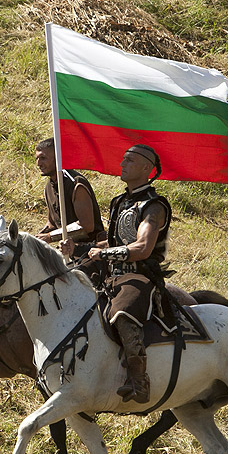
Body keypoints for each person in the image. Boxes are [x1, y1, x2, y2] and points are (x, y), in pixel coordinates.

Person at [62, 144, 172, 404]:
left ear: (147, 168)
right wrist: (79, 248)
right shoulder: (119, 201)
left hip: (140, 275)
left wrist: (105, 255)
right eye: (123, 158)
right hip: (110, 271)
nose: (122, 164)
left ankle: (138, 381)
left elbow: (143, 248)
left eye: (130, 160)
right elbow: (109, 243)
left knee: (122, 312)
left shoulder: (154, 206)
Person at [34, 138, 105, 247]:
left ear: (58, 157)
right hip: (67, 250)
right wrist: (34, 238)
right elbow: (52, 223)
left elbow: (87, 226)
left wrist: (50, 236)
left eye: (43, 158)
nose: (39, 164)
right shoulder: (49, 186)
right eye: (37, 158)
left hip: (91, 251)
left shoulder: (76, 184)